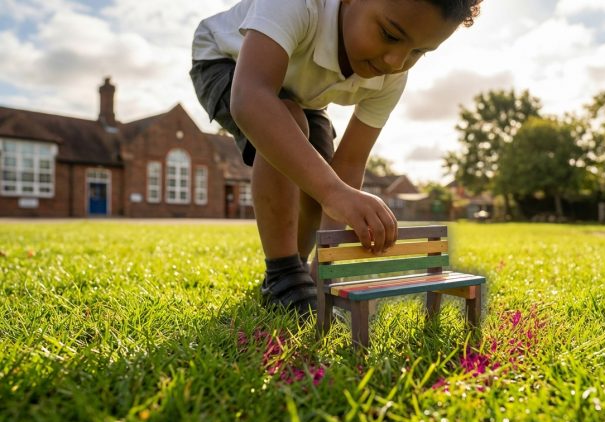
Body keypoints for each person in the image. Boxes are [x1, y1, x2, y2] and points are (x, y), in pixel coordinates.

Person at [190, 0, 482, 316]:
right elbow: (251, 96)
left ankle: (298, 271)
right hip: (227, 61)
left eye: (419, 52)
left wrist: (328, 265)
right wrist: (333, 191)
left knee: (319, 178)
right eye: (389, 34)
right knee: (294, 130)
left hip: (301, 92)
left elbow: (350, 164)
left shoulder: (392, 76)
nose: (396, 61)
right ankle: (282, 274)